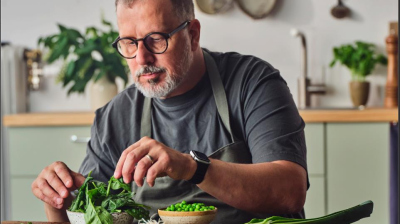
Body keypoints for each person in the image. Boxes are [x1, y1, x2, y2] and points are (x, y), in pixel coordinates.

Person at [31, 0, 308, 223]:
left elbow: (289, 192)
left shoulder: (252, 83)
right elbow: (94, 216)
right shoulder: (115, 117)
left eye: (156, 39)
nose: (142, 58)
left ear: (193, 34)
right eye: (129, 42)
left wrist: (191, 167)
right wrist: (57, 202)